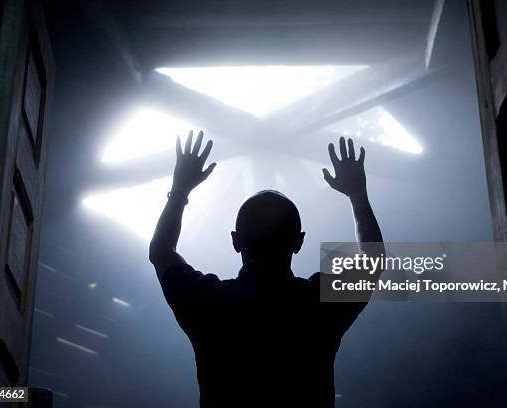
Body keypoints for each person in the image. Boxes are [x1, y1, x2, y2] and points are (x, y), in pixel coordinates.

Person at [149, 131, 383, 408]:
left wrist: (180, 190)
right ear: (298, 242)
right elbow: (374, 260)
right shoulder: (318, 303)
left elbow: (161, 251)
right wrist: (357, 194)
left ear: (235, 241)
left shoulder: (209, 303)